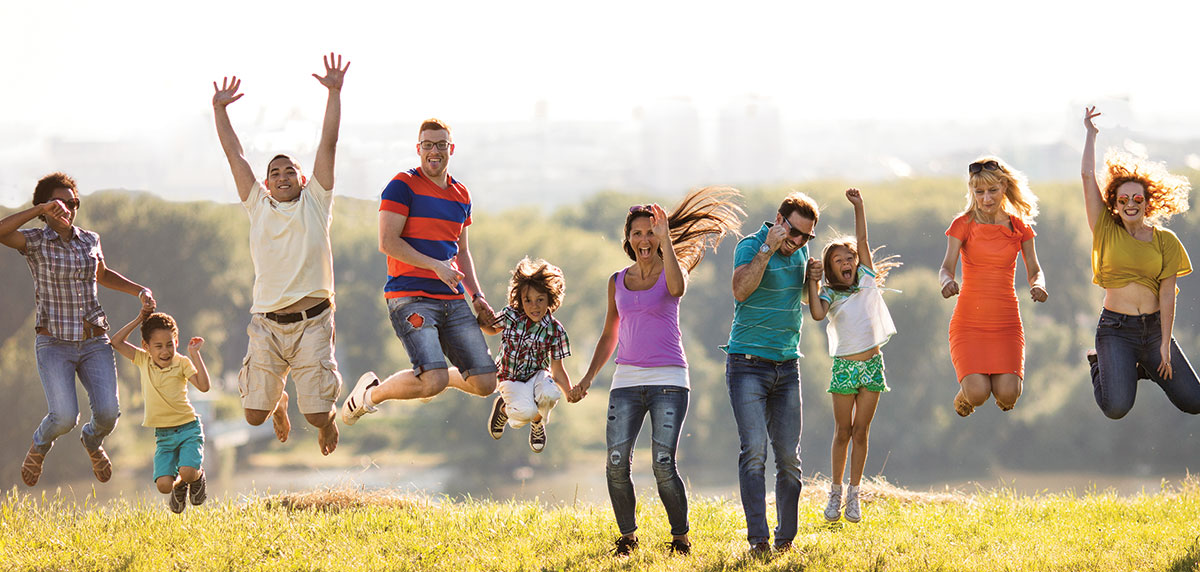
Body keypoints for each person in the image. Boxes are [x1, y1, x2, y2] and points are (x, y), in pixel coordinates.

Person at [572, 187, 743, 557]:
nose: (644, 239)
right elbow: (608, 335)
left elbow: (678, 288)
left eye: (651, 232)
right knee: (616, 463)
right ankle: (628, 538)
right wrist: (587, 379)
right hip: (626, 380)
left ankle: (680, 538)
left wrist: (666, 241)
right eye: (637, 233)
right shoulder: (616, 281)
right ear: (628, 239)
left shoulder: (671, 272)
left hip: (669, 379)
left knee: (663, 463)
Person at [212, 53, 349, 455]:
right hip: (267, 326)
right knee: (254, 414)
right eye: (275, 172)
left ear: (302, 179)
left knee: (318, 416)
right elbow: (234, 155)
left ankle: (326, 417)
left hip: (313, 322)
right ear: (266, 184)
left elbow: (329, 142)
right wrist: (219, 110)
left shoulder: (316, 202)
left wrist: (334, 93)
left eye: (290, 171)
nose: (282, 176)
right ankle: (278, 402)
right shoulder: (257, 205)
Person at [0, 172, 156, 487]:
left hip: (94, 340)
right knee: (63, 417)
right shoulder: (35, 241)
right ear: (45, 207)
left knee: (109, 414)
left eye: (72, 203)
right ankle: (40, 445)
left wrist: (140, 290)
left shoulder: (90, 239)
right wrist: (39, 210)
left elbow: (103, 274)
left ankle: (92, 440)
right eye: (59, 204)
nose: (67, 210)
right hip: (53, 343)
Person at [340, 118, 500, 424]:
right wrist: (436, 266)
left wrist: (478, 296)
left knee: (485, 383)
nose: (434, 151)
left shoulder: (461, 194)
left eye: (441, 145)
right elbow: (388, 242)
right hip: (410, 296)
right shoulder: (402, 186)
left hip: (452, 298)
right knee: (434, 382)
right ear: (419, 149)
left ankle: (433, 371)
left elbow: (462, 251)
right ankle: (370, 394)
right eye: (428, 145)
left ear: (451, 149)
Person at [1081, 106, 1200, 418]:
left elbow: (1166, 295)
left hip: (1153, 331)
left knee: (1195, 401)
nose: (1130, 204)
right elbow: (1086, 175)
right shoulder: (1105, 229)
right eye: (1123, 199)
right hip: (1115, 330)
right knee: (1116, 407)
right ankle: (1100, 364)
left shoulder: (1166, 240)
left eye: (1137, 199)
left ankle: (1143, 364)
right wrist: (1091, 135)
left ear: (1148, 202)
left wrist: (1164, 343)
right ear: (1114, 203)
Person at [724, 191, 818, 555]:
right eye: (793, 233)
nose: (797, 242)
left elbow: (809, 302)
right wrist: (767, 249)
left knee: (789, 457)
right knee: (754, 452)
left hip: (788, 365)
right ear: (780, 220)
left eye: (806, 237)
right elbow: (740, 290)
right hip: (747, 364)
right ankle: (758, 540)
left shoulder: (802, 252)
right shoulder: (750, 246)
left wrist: (814, 277)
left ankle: (786, 539)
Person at [806, 188, 899, 524]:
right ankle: (834, 493)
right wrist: (813, 283)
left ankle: (855, 496)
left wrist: (859, 206)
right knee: (842, 432)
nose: (846, 263)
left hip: (872, 366)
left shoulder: (867, 281)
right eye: (838, 261)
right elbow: (817, 315)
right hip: (845, 367)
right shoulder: (830, 293)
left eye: (849, 259)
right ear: (831, 269)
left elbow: (862, 239)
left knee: (861, 432)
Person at [939, 156, 1047, 416]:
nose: (986, 198)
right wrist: (947, 282)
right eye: (979, 192)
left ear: (1004, 188)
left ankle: (998, 393)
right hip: (969, 322)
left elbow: (1035, 270)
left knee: (1008, 396)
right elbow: (946, 267)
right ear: (972, 192)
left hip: (1006, 321)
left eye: (992, 191)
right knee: (977, 394)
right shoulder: (963, 224)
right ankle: (967, 395)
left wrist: (1039, 285)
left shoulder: (1019, 227)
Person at [110, 309, 211, 513]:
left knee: (188, 472)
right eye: (158, 346)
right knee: (164, 486)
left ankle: (197, 477)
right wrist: (139, 318)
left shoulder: (181, 362)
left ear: (176, 342)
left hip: (188, 428)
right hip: (164, 435)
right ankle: (180, 485)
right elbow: (116, 342)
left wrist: (195, 354)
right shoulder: (143, 360)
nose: (165, 351)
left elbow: (204, 386)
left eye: (169, 345)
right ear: (146, 346)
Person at [483, 257, 574, 453]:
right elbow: (491, 328)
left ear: (551, 299)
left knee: (551, 393)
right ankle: (503, 408)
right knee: (526, 412)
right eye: (528, 300)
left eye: (540, 300)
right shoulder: (511, 316)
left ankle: (537, 424)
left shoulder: (555, 330)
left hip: (537, 376)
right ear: (520, 300)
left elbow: (558, 370)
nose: (534, 306)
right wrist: (482, 321)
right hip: (510, 377)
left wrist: (569, 392)